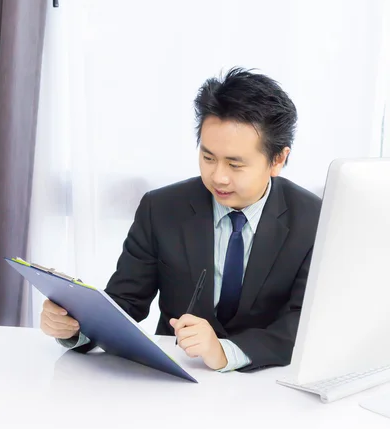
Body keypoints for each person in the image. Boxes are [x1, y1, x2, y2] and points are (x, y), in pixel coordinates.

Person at [41, 67, 321, 372]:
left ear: (278, 159)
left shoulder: (314, 219)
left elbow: (306, 323)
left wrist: (226, 351)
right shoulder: (161, 208)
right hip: (174, 379)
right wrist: (75, 326)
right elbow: (126, 302)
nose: (218, 177)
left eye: (235, 164)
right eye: (208, 158)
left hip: (269, 386)